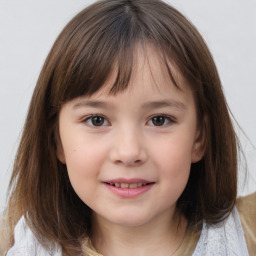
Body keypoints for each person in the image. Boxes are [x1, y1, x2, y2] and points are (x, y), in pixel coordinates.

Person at [0, 0, 255, 255]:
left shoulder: (248, 234)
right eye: (97, 120)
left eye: (159, 120)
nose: (129, 152)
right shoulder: (15, 241)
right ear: (57, 139)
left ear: (199, 138)